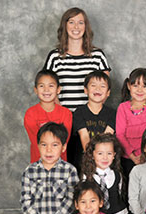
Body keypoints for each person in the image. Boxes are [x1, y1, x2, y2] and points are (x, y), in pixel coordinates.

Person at [43, 7, 111, 169]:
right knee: (66, 167)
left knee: (90, 166)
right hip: (64, 120)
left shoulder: (97, 56)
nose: (76, 27)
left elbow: (104, 87)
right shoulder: (55, 57)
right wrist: (61, 115)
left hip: (92, 122)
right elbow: (49, 89)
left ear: (86, 27)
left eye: (80, 23)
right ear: (64, 26)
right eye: (71, 22)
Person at [20, 122, 79, 214]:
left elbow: (71, 199)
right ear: (38, 146)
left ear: (63, 147)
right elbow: (26, 200)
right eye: (44, 145)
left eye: (54, 145)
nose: (48, 150)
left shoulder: (69, 170)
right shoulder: (30, 171)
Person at [81, 133, 129, 214]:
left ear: (114, 155)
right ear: (92, 155)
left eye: (109, 153)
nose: (105, 158)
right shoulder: (87, 177)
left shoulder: (117, 175)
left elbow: (119, 194)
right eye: (100, 153)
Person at [116, 68, 146, 176]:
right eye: (135, 85)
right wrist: (133, 156)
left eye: (144, 86)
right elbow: (120, 135)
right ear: (128, 86)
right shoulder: (123, 108)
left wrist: (145, 154)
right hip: (128, 158)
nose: (140, 90)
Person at [24, 70, 72, 163]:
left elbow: (64, 141)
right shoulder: (31, 114)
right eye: (42, 86)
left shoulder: (66, 113)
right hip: (39, 163)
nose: (46, 90)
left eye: (51, 86)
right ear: (36, 90)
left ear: (58, 89)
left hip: (60, 164)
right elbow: (36, 142)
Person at [73, 70, 116, 154]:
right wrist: (91, 156)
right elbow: (84, 136)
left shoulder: (112, 114)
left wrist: (100, 157)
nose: (98, 89)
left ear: (108, 93)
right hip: (85, 158)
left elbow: (106, 138)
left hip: (104, 158)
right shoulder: (79, 112)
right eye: (93, 85)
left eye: (102, 86)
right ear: (86, 90)